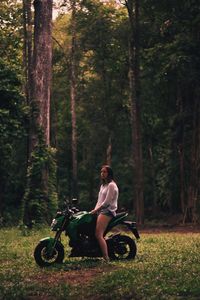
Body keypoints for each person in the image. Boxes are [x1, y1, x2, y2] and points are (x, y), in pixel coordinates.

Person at [90, 165, 119, 261]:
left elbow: (107, 202)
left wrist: (97, 210)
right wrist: (94, 210)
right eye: (101, 172)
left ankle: (106, 258)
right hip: (100, 210)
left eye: (104, 172)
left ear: (109, 173)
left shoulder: (111, 185)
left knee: (98, 234)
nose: (102, 173)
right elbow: (99, 201)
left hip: (108, 211)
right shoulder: (103, 186)